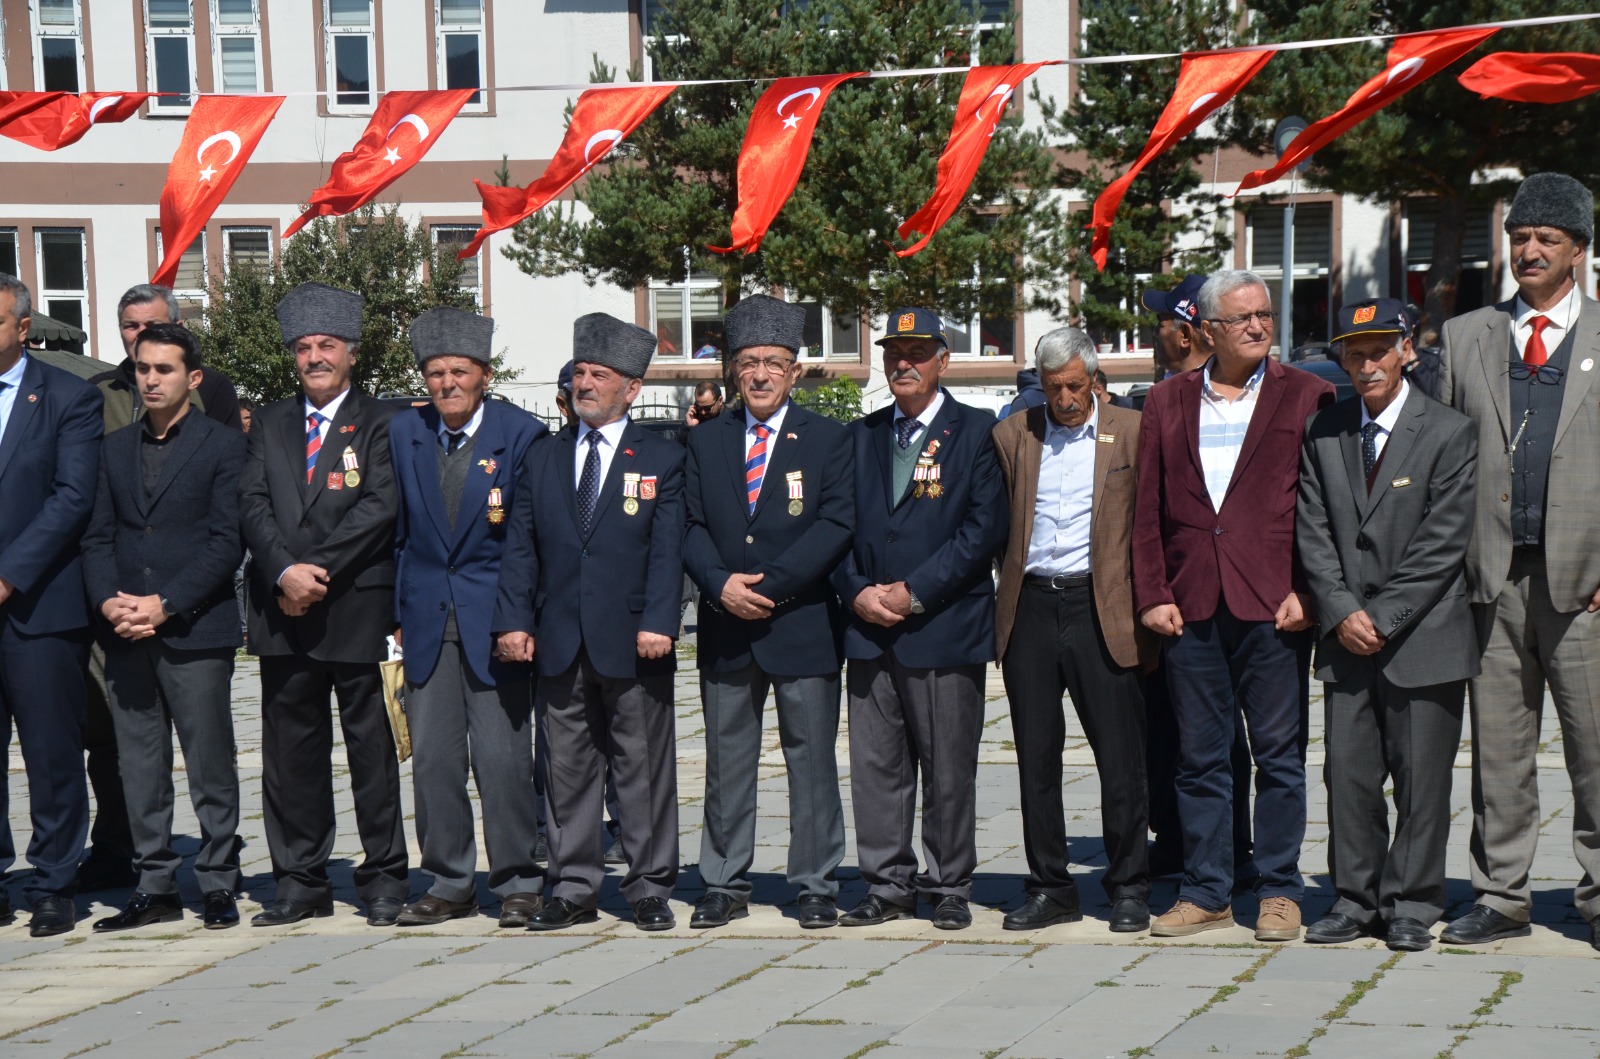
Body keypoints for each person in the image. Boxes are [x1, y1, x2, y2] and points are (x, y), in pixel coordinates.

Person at [1132, 269, 1335, 941]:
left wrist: (1310, 590)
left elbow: (1324, 507)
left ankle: (1279, 889)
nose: (1257, 325)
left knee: (1279, 755)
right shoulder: (1165, 401)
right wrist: (1154, 594)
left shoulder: (1309, 395)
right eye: (1242, 317)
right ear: (1208, 330)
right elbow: (1148, 511)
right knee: (1199, 758)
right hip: (1190, 608)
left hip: (1273, 607)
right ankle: (1207, 888)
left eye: (1265, 314)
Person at [1436, 172, 1600, 953]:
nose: (1529, 250)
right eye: (1519, 237)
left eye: (1547, 238)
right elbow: (1440, 459)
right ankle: (1501, 894)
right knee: (1498, 749)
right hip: (1490, 580)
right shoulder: (1466, 337)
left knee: (1595, 747)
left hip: (1586, 586)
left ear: (1578, 249)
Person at [1297, 298, 1477, 952]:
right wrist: (1343, 610)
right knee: (1347, 776)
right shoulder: (1326, 430)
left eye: (1379, 348)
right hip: (1347, 643)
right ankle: (1355, 898)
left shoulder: (1451, 431)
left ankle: (1412, 902)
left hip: (1423, 637)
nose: (1366, 362)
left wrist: (1381, 614)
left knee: (1422, 781)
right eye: (1354, 350)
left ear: (1408, 348)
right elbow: (1312, 530)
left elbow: (1444, 542)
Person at [497, 313, 685, 932]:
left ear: (631, 388)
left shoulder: (660, 454)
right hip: (558, 639)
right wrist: (514, 621)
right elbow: (522, 544)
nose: (585, 384)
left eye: (600, 375)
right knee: (567, 768)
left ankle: (649, 885)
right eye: (579, 372)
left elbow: (667, 548)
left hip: (636, 639)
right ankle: (573, 885)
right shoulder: (545, 456)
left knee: (642, 767)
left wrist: (662, 619)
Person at [830, 307, 1007, 930]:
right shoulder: (862, 434)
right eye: (893, 352)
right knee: (877, 768)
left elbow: (982, 529)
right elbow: (837, 528)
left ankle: (950, 883)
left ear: (943, 360)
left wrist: (914, 592)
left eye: (917, 351)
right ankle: (886, 884)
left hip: (943, 626)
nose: (903, 362)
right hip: (869, 628)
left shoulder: (979, 431)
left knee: (949, 766)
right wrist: (856, 592)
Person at [238, 282, 408, 927]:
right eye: (304, 347)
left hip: (356, 605)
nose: (314, 357)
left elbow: (380, 506)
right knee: (290, 753)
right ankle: (301, 879)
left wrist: (318, 570)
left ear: (352, 354)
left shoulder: (386, 422)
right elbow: (251, 502)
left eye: (327, 346)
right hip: (283, 609)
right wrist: (284, 571)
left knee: (372, 748)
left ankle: (385, 877)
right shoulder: (271, 421)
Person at [683, 294, 854, 929]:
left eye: (774, 363)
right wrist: (720, 583)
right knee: (727, 758)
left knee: (810, 755)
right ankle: (724, 880)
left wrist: (770, 587)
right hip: (727, 622)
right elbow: (690, 523)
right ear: (732, 368)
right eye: (749, 362)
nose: (760, 374)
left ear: (794, 370)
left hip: (801, 621)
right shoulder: (705, 442)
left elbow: (836, 524)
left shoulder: (828, 440)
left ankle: (814, 881)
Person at [79, 323, 248, 932]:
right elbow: (98, 536)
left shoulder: (225, 447)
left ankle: (219, 882)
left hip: (193, 629)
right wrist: (108, 603)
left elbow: (226, 542)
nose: (151, 379)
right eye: (143, 369)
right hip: (124, 630)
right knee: (138, 763)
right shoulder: (113, 447)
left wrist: (166, 603)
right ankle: (154, 885)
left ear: (192, 378)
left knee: (210, 762)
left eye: (165, 369)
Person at [992, 327, 1156, 932]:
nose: (1064, 399)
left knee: (1119, 758)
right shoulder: (1014, 434)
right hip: (1031, 606)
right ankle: (1050, 886)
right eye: (1052, 387)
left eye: (1075, 387)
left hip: (1101, 607)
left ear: (1095, 379)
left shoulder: (1132, 432)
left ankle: (1129, 886)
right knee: (1036, 756)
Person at [388, 307, 547, 928]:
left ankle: (517, 880)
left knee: (504, 760)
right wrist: (397, 614)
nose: (446, 383)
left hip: (496, 621)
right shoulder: (405, 433)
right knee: (432, 759)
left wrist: (520, 620)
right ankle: (449, 880)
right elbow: (397, 534)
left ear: (483, 373)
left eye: (459, 371)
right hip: (426, 619)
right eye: (434, 373)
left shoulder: (522, 434)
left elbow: (527, 541)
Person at [1138, 272, 1256, 887]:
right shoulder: (1166, 396)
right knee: (1187, 736)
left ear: (1187, 332)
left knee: (1217, 736)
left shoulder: (1242, 396)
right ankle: (1191, 840)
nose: (1155, 330)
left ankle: (1224, 845)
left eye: (1162, 320)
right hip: (1180, 599)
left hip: (1243, 598)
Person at [0, 273, 101, 937]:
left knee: (50, 750)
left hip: (37, 607)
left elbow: (71, 497)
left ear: (22, 328)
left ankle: (55, 879)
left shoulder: (67, 395)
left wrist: (8, 575)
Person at [91, 284, 243, 432]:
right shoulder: (97, 389)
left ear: (178, 328)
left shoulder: (212, 387)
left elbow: (228, 449)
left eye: (153, 325)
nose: (141, 334)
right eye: (131, 325)